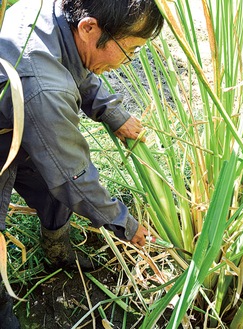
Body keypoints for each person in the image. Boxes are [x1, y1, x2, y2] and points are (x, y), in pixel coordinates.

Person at [0, 0, 164, 327]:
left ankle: (58, 253)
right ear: (89, 27)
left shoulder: (52, 12)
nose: (126, 62)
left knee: (50, 192)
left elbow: (74, 63)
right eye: (129, 50)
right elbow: (73, 177)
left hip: (19, 117)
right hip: (7, 132)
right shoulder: (44, 89)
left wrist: (111, 111)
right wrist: (125, 225)